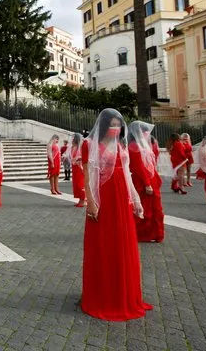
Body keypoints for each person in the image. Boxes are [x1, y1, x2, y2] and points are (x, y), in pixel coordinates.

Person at [82, 108, 153, 321]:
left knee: (123, 246)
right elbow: (88, 176)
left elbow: (128, 175)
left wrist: (136, 200)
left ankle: (124, 294)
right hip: (104, 201)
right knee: (105, 246)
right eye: (112, 124)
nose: (115, 128)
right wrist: (92, 203)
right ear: (104, 126)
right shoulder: (90, 145)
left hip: (122, 202)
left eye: (118, 124)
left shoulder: (122, 146)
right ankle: (104, 295)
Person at [128, 121, 164, 243]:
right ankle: (143, 233)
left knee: (153, 207)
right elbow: (138, 167)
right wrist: (147, 183)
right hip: (142, 181)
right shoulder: (134, 145)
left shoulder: (141, 144)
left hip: (149, 179)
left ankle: (154, 233)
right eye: (144, 131)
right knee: (145, 207)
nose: (147, 134)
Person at [70, 133, 86, 208]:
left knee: (80, 184)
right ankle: (80, 200)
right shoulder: (73, 147)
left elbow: (84, 156)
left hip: (79, 167)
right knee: (76, 184)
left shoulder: (81, 147)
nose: (72, 140)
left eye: (73, 139)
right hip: (74, 167)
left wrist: (78, 159)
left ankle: (83, 200)